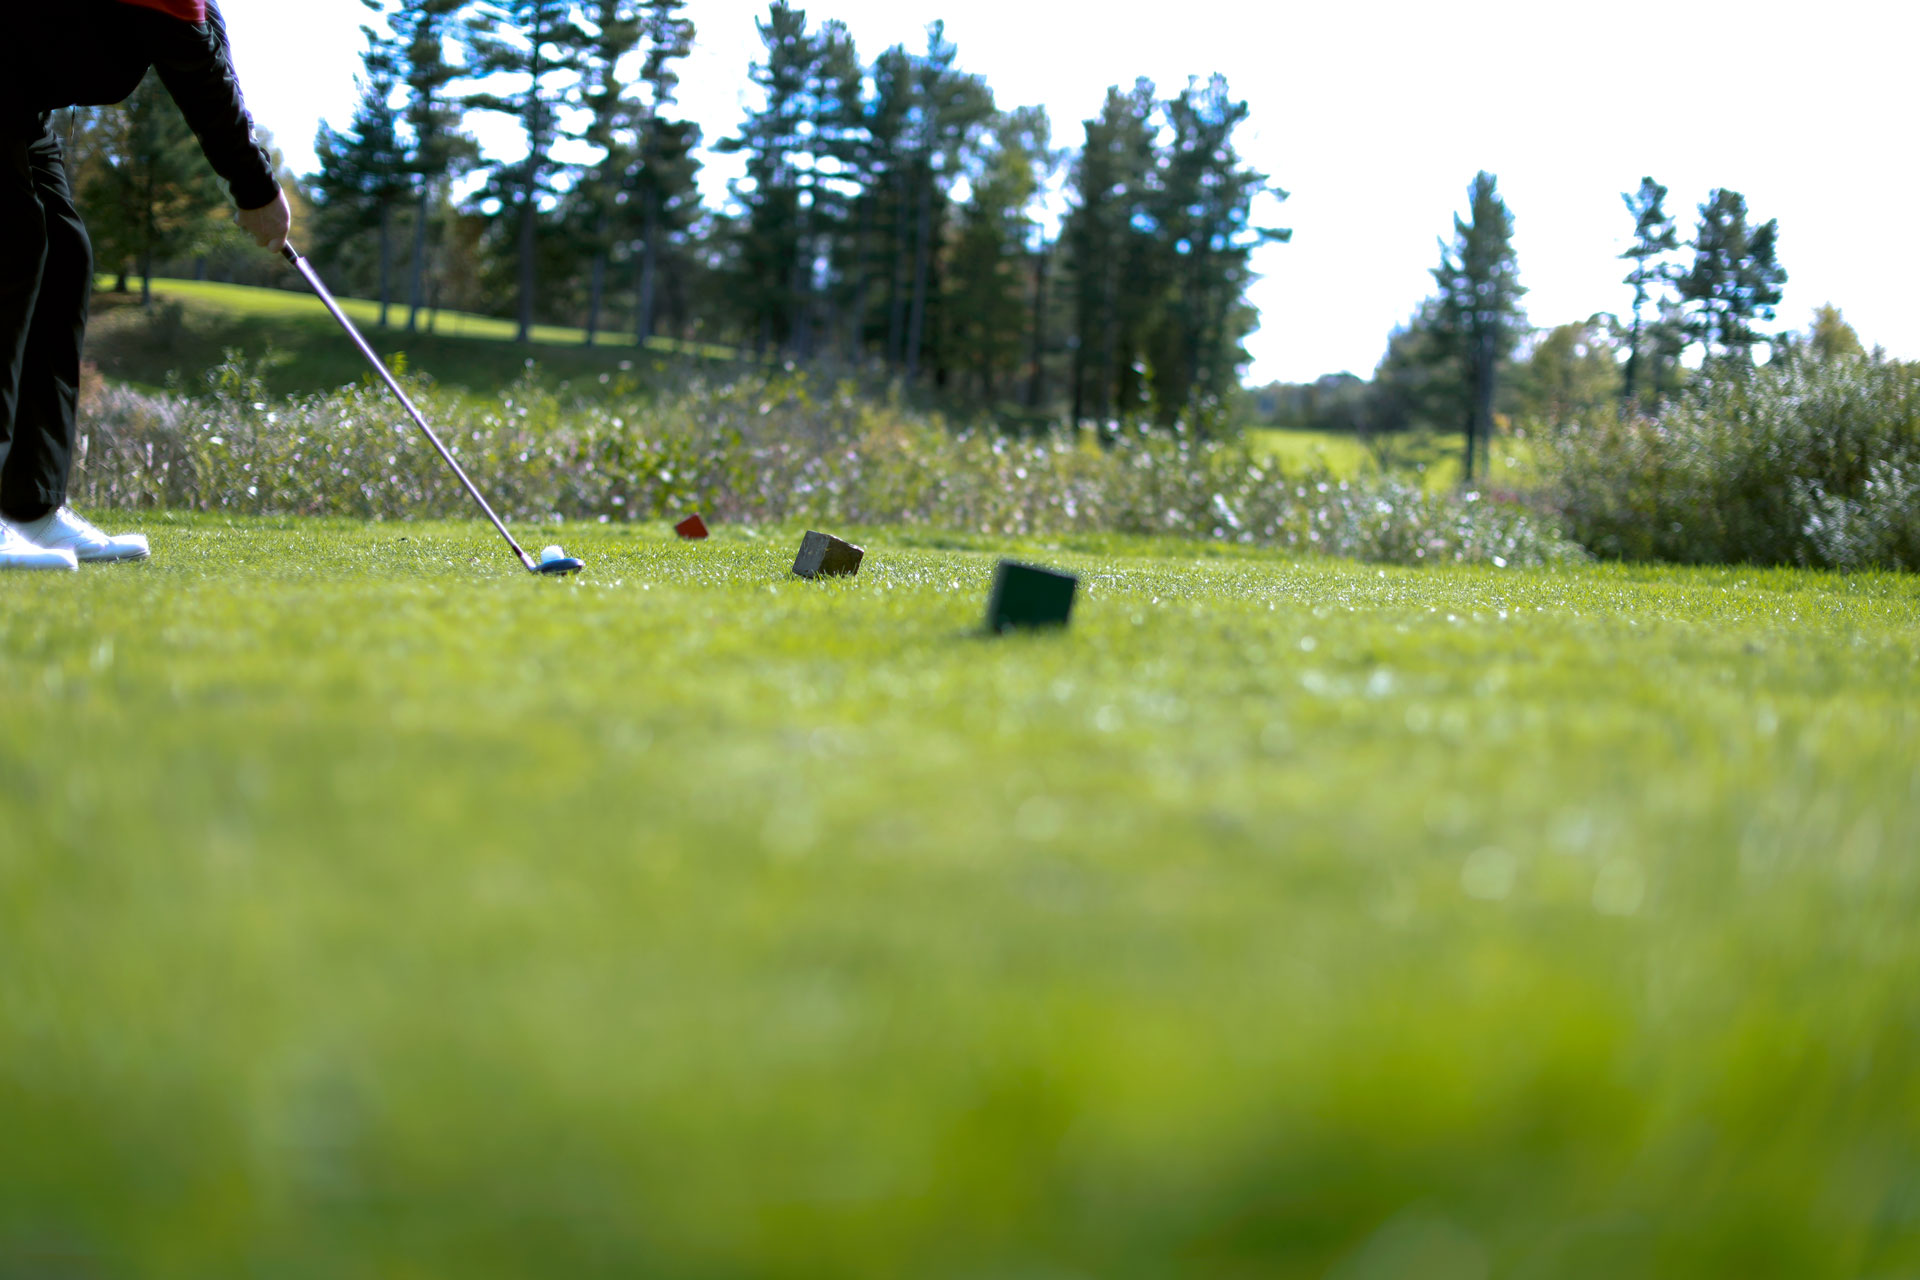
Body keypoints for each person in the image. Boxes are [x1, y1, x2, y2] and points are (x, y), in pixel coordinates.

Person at [1, 0, 291, 571]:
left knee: (64, 254)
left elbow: (205, 39)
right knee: (11, 243)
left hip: (17, 98)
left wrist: (248, 150)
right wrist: (254, 186)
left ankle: (29, 509)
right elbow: (192, 63)